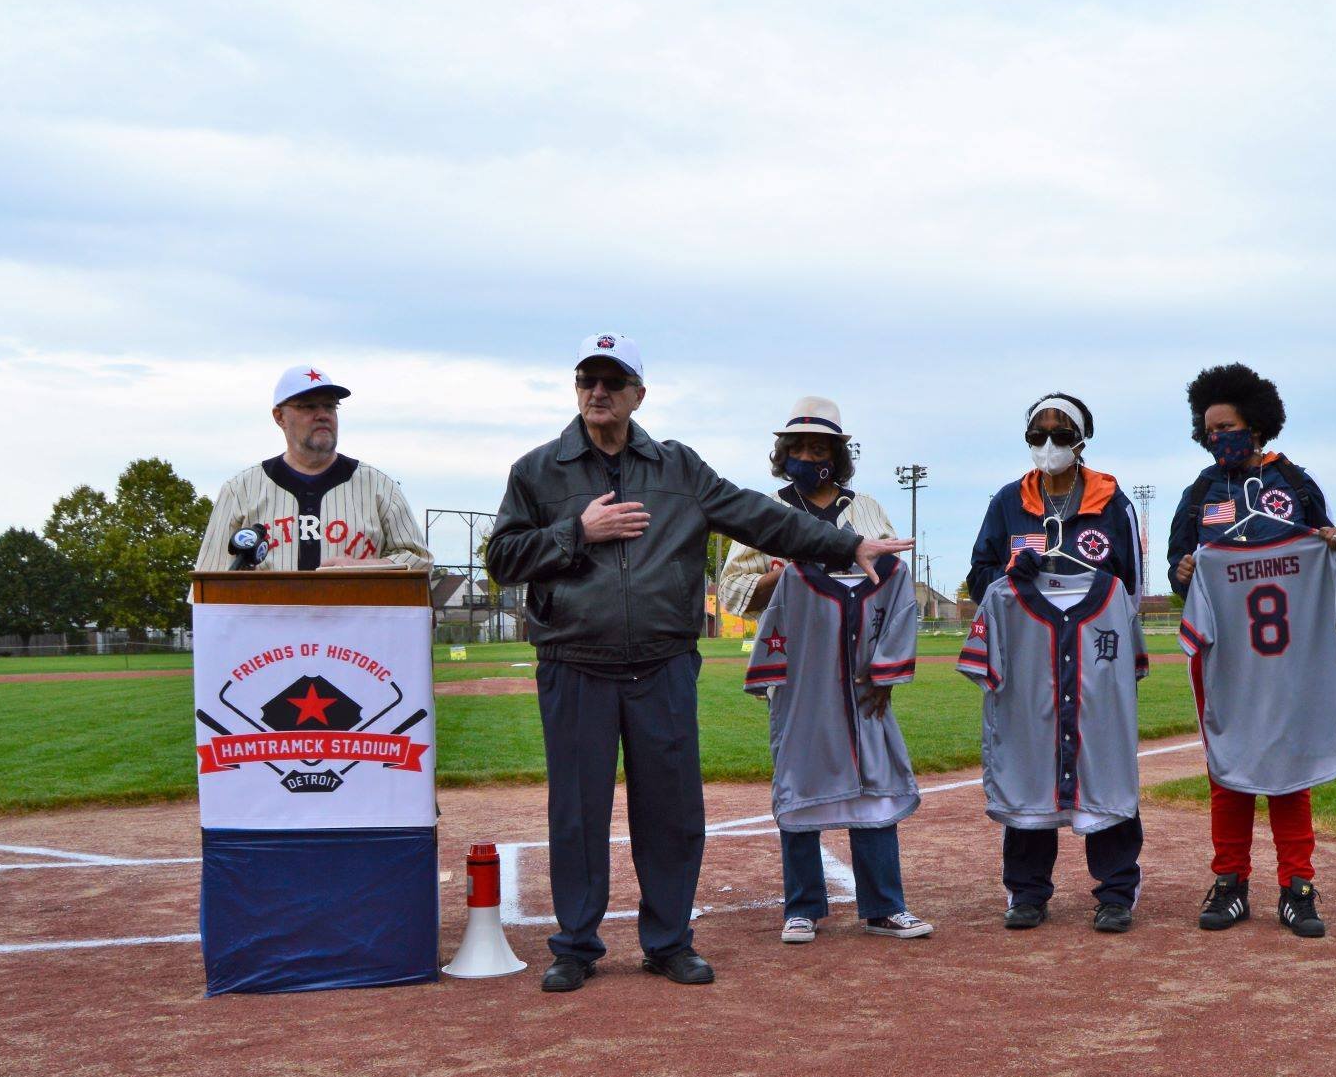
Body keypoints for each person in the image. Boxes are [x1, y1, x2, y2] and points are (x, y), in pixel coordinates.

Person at [486, 336, 914, 992]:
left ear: (638, 394)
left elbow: (763, 518)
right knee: (576, 810)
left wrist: (848, 542)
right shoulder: (538, 471)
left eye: (612, 380)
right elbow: (503, 557)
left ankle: (668, 939)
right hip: (575, 662)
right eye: (587, 379)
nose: (597, 391)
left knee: (673, 812)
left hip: (661, 664)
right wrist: (578, 532)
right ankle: (575, 945)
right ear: (576, 389)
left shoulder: (678, 469)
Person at [720, 397, 933, 945]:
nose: (808, 455)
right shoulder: (764, 512)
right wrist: (780, 577)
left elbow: (895, 583)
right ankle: (803, 906)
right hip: (800, 666)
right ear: (783, 453)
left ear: (837, 454)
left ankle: (884, 905)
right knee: (799, 775)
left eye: (820, 447)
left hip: (861, 666)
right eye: (799, 447)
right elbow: (733, 594)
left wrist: (885, 671)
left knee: (875, 776)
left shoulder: (865, 509)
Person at [1165, 363, 1336, 937]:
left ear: (1256, 425)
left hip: (1291, 656)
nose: (1216, 436)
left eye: (1226, 425)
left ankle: (1297, 886)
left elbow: (1333, 560)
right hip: (1225, 657)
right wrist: (1185, 572)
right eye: (1208, 428)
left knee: (1290, 767)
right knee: (1228, 769)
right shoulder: (1200, 493)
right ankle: (1230, 883)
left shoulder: (1295, 483)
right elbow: (1179, 577)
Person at [966, 393, 1145, 933]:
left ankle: (1115, 890)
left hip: (1095, 651)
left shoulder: (1112, 502)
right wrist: (1011, 580)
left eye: (1060, 432)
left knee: (1103, 760)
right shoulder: (1008, 502)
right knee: (1028, 760)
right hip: (1029, 654)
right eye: (1038, 433)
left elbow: (1131, 585)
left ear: (1082, 438)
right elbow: (979, 576)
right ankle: (1027, 891)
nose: (1049, 443)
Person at [195, 365, 432, 572]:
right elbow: (208, 584)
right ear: (280, 417)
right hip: (270, 622)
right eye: (308, 407)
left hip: (355, 622)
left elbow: (420, 562)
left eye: (329, 406)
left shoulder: (379, 487)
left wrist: (363, 568)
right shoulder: (241, 490)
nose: (322, 415)